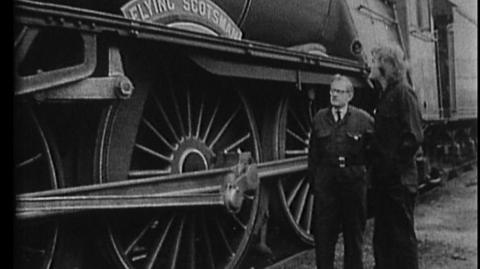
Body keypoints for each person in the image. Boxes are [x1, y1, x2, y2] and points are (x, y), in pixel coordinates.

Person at [308, 74, 374, 269]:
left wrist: (364, 178)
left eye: (339, 91)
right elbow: (313, 156)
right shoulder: (319, 118)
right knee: (324, 238)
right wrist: (318, 184)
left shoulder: (363, 120)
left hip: (353, 186)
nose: (334, 95)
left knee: (354, 238)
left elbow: (374, 152)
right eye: (332, 91)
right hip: (327, 188)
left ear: (350, 95)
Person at [368, 43, 423, 269]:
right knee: (383, 239)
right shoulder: (385, 95)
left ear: (386, 65)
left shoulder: (403, 93)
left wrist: (392, 167)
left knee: (402, 239)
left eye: (374, 61)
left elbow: (414, 137)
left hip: (398, 183)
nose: (369, 65)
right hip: (385, 182)